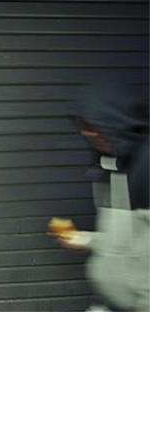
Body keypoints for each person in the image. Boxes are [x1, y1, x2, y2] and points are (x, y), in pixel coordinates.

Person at [56, 80, 149, 311]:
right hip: (110, 307)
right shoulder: (111, 165)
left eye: (93, 125)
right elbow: (124, 241)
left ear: (114, 119)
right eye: (84, 126)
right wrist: (86, 240)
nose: (87, 133)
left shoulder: (146, 169)